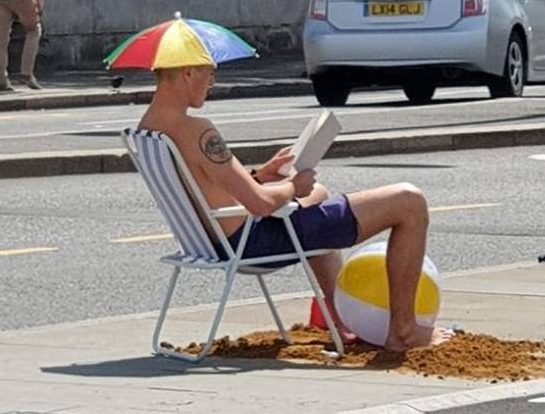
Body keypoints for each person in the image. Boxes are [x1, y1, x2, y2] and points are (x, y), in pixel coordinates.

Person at [137, 63, 452, 351]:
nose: (211, 83)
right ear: (189, 73)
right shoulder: (196, 130)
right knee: (410, 202)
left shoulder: (146, 130)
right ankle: (404, 331)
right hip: (252, 244)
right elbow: (259, 205)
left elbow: (200, 186)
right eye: (210, 74)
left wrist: (261, 175)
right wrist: (292, 187)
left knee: (319, 193)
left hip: (213, 242)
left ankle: (339, 322)